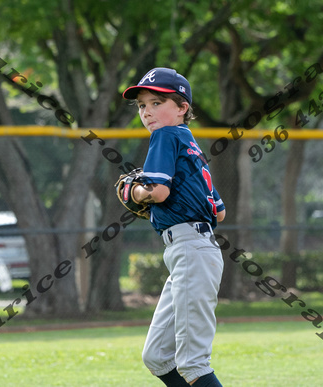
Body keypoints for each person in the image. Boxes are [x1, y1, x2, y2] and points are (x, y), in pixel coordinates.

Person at [122, 68, 226, 387]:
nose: (147, 111)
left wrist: (134, 192)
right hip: (190, 249)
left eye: (157, 102)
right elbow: (219, 212)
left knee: (192, 364)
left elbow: (158, 192)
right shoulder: (190, 143)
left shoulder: (165, 136)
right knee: (156, 356)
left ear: (182, 107)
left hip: (190, 249)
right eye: (142, 106)